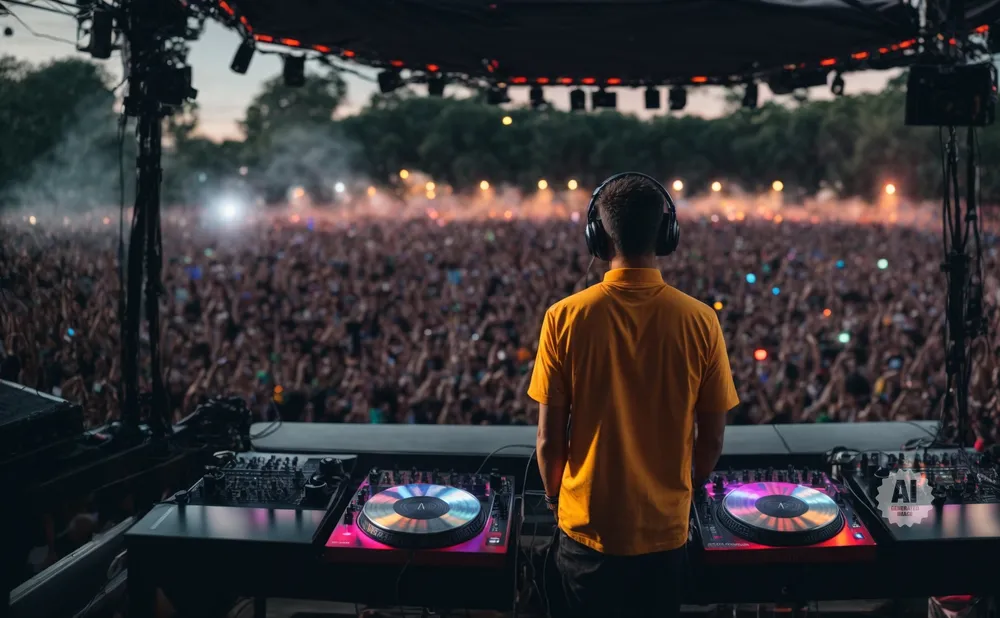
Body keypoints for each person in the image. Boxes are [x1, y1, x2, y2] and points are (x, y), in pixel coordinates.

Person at [527, 173, 740, 617]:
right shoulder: (701, 321)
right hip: (664, 535)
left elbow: (549, 440)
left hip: (586, 532)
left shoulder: (563, 318)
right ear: (666, 234)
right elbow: (713, 440)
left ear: (598, 237)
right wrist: (679, 494)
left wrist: (553, 500)